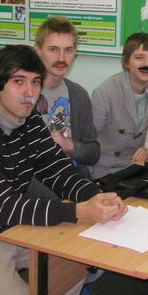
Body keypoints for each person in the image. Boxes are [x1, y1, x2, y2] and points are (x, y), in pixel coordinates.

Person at [0, 45, 127, 295]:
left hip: (11, 227)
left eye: (35, 82)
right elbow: (4, 205)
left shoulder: (29, 118)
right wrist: (80, 211)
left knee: (78, 260)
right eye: (18, 81)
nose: (30, 92)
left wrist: (96, 196)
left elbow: (57, 170)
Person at [91, 32, 148, 179]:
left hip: (141, 166)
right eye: (139, 57)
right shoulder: (105, 92)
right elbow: (87, 141)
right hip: (107, 169)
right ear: (126, 62)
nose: (147, 64)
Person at [32, 16, 100, 180]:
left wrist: (69, 145)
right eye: (53, 49)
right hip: (33, 184)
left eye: (68, 50)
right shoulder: (23, 92)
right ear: (37, 51)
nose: (61, 58)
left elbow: (93, 153)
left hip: (72, 179)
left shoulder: (78, 95)